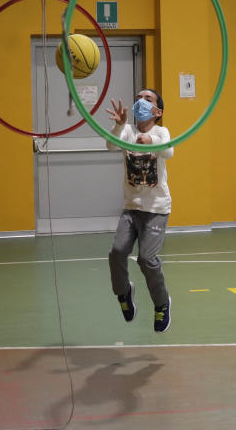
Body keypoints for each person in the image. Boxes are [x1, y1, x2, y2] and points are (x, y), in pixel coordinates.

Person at [105, 89, 174, 333]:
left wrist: (152, 142)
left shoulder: (161, 132)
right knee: (116, 252)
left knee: (147, 259)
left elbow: (168, 151)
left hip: (156, 209)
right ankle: (124, 294)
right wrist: (119, 126)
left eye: (148, 99)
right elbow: (111, 147)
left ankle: (162, 304)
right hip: (131, 208)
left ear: (158, 111)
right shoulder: (128, 131)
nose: (140, 102)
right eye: (138, 98)